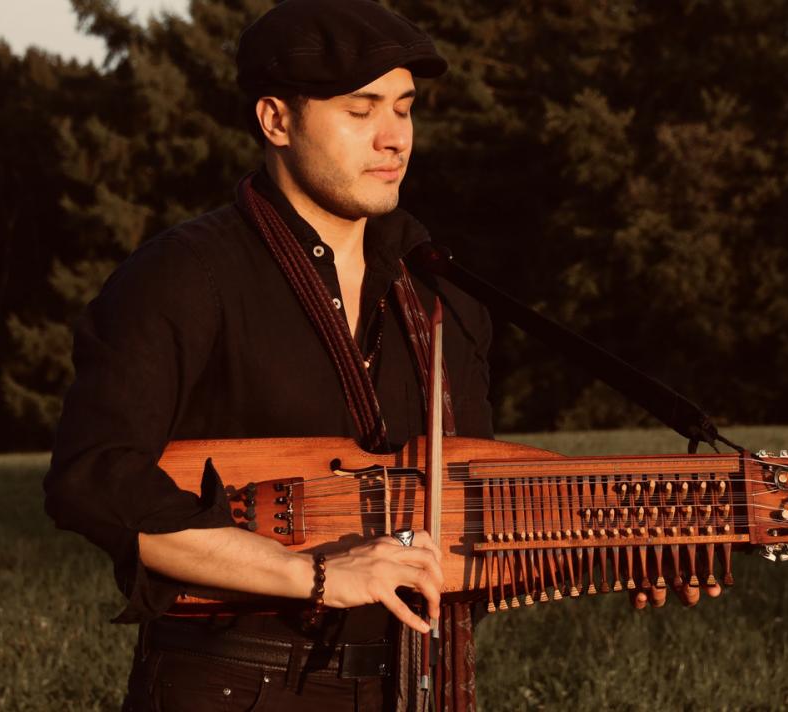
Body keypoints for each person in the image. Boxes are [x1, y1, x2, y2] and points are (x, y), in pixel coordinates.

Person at [44, 0, 492, 709]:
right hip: (235, 685)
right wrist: (313, 575)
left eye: (404, 108)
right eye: (360, 110)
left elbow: (477, 507)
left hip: (412, 685)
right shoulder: (183, 276)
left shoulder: (442, 296)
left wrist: (634, 550)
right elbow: (93, 478)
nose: (394, 138)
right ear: (276, 120)